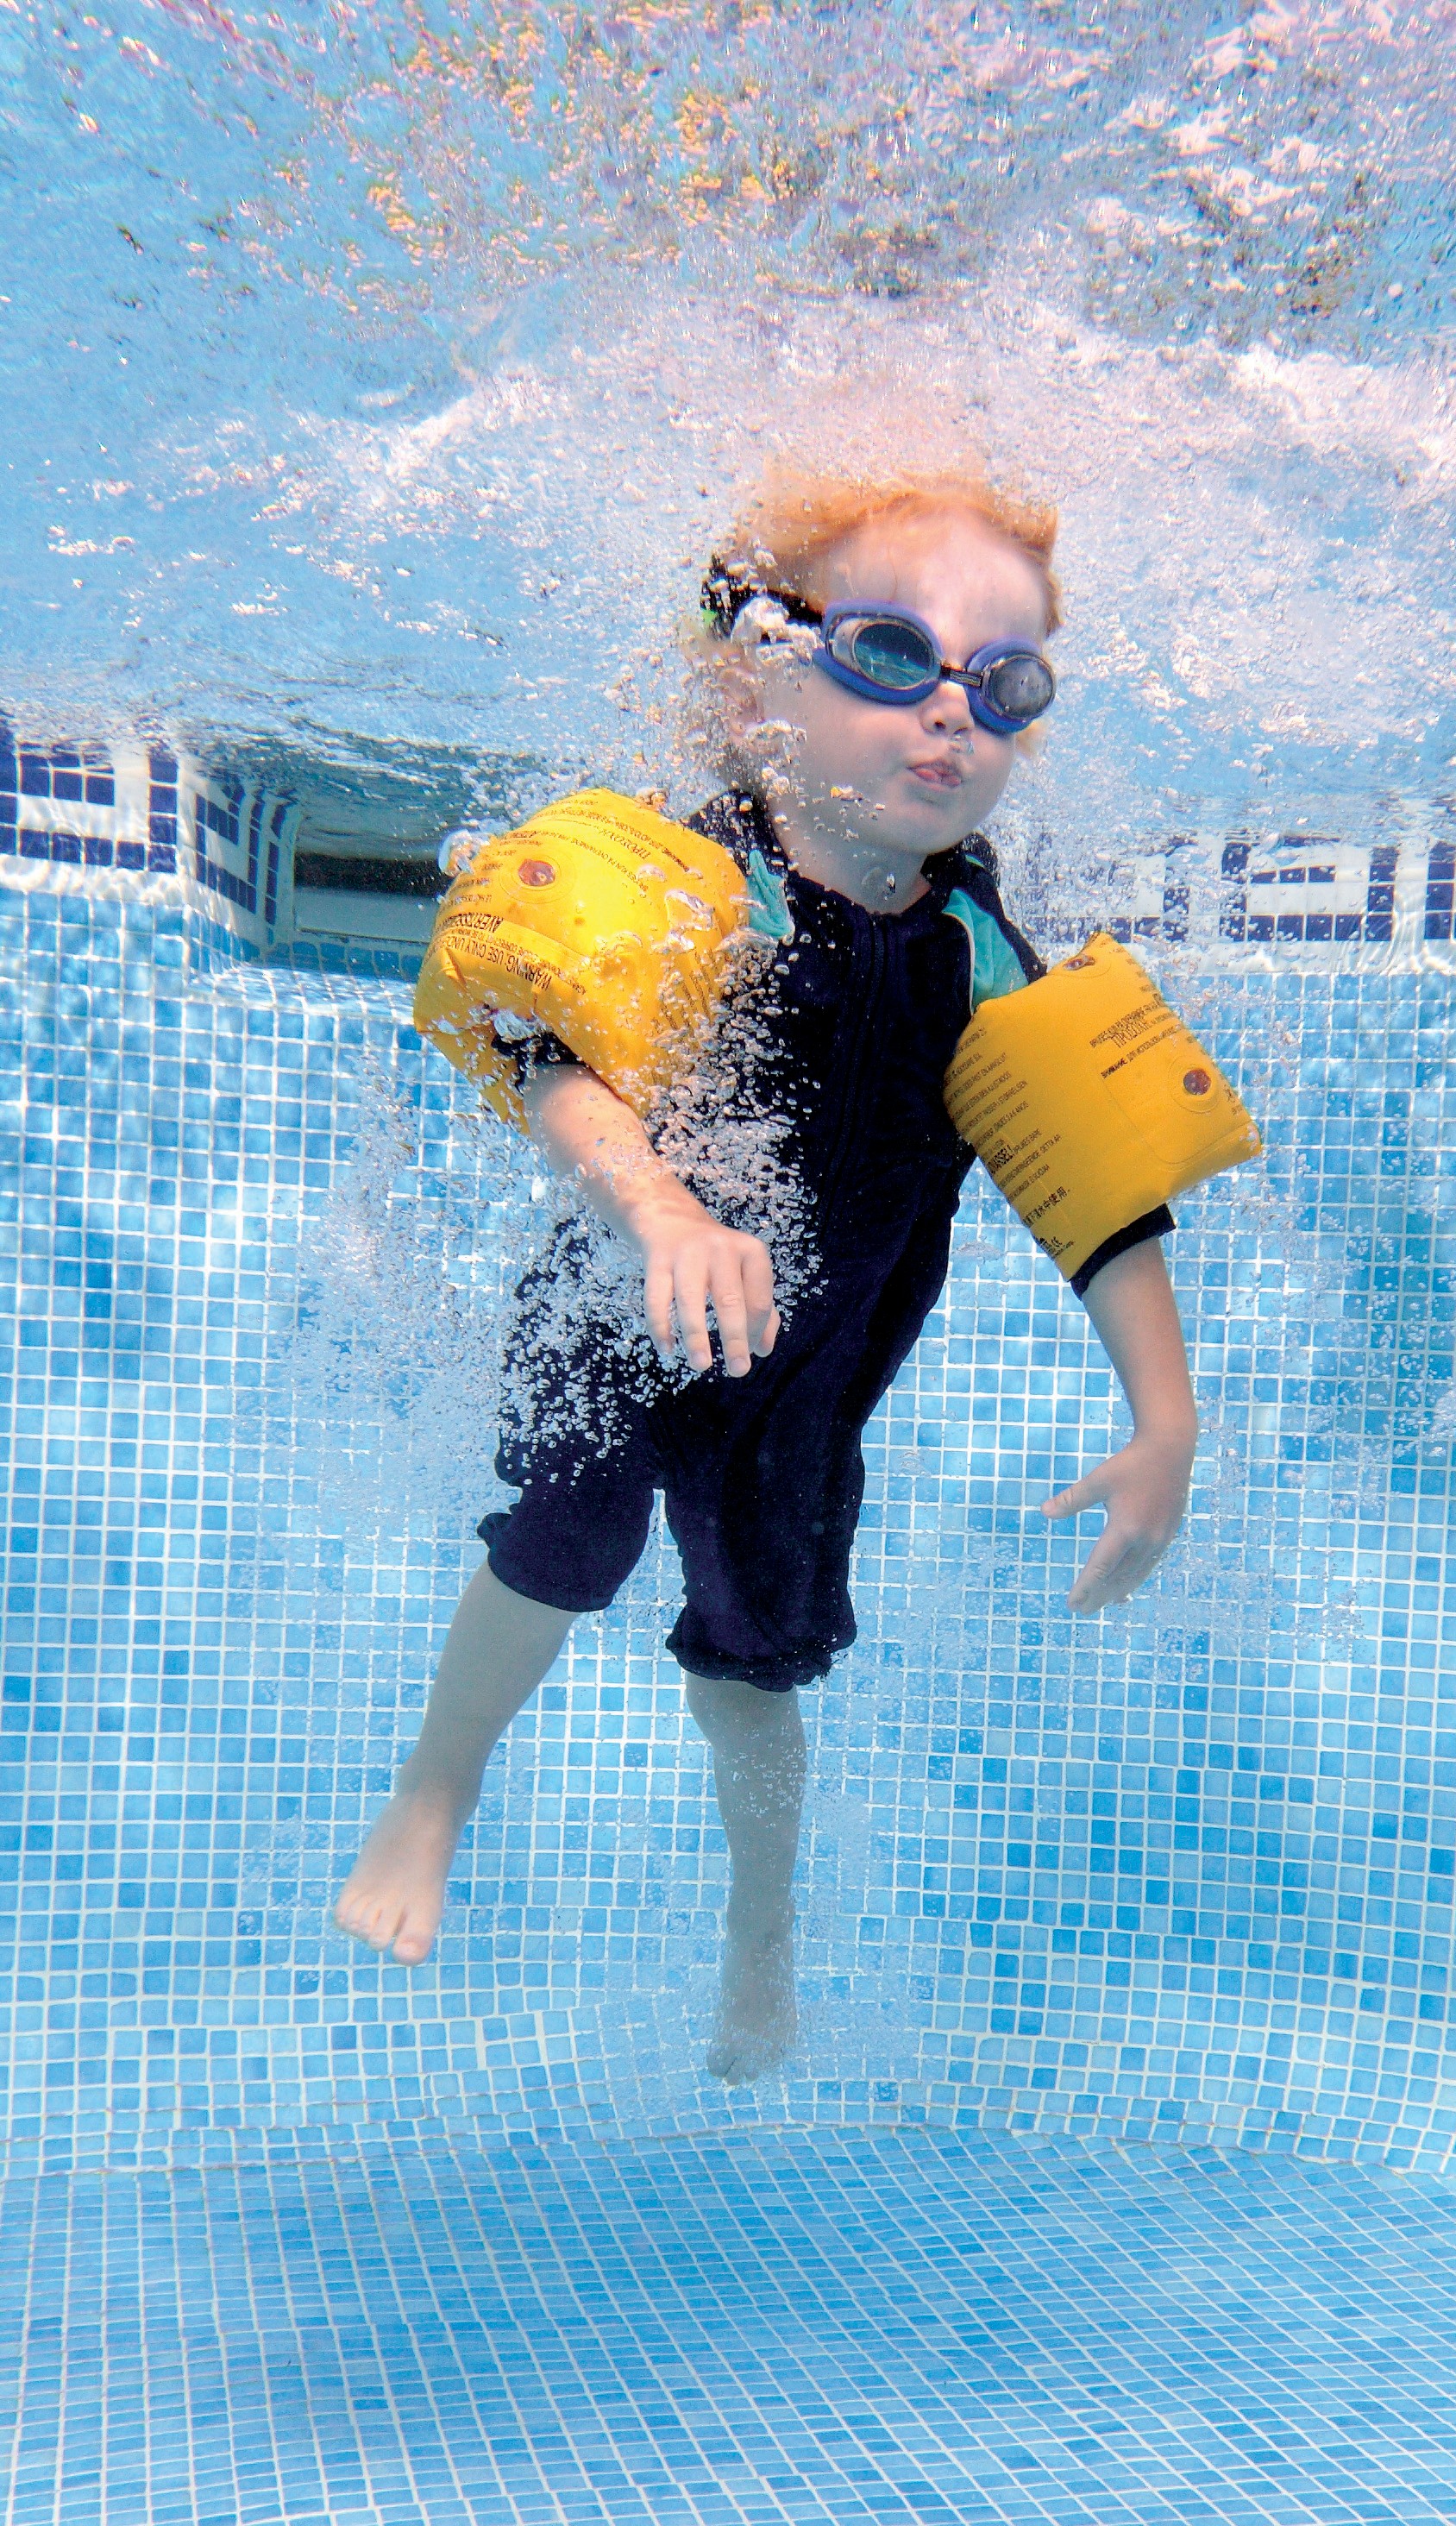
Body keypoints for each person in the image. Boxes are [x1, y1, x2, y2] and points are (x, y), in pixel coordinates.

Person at [335, 472, 1200, 2084]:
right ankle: (437, 1786)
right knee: (556, 1553)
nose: (951, 715)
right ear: (762, 670)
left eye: (1002, 686)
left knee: (757, 1652)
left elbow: (1097, 1187)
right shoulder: (699, 881)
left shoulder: (984, 954)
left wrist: (1168, 1416)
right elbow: (552, 1061)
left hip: (810, 1373)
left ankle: (762, 1948)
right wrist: (661, 1211)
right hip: (624, 1299)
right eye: (889, 654)